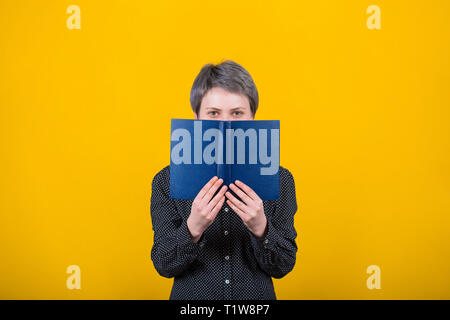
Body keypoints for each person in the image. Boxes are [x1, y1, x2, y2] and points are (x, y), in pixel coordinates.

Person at [150, 60, 298, 300]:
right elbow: (164, 264)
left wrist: (262, 229)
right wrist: (193, 228)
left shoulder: (280, 179)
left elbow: (283, 265)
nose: (225, 124)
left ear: (253, 117)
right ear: (196, 117)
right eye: (213, 113)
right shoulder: (166, 181)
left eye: (237, 113)